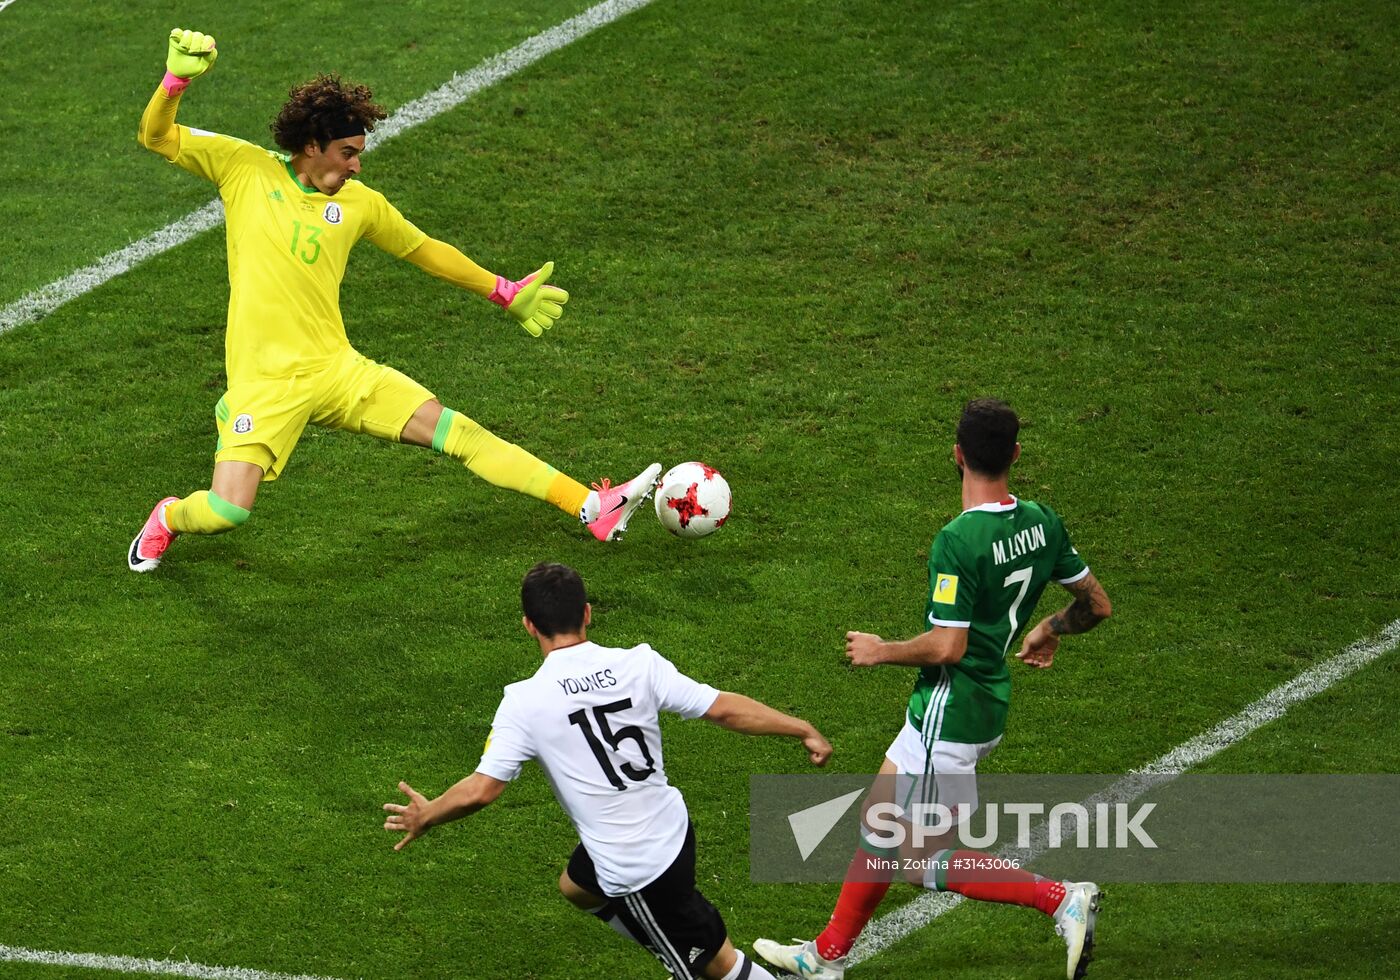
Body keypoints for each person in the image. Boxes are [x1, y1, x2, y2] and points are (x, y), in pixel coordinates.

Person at [128, 29, 660, 573]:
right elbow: (156, 136)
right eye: (347, 153)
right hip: (263, 386)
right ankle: (169, 517)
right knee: (225, 512)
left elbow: (424, 250)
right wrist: (175, 83)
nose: (356, 165)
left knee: (459, 432)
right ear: (312, 147)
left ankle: (593, 506)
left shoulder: (360, 204)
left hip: (338, 370)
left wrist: (503, 291)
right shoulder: (244, 168)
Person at [755, 398, 1113, 980]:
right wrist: (1048, 629)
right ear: (1015, 455)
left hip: (951, 710)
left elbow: (947, 646)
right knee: (878, 823)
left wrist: (881, 649)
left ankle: (1059, 899)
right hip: (982, 702)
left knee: (920, 858)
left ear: (956, 454)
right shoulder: (1042, 520)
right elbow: (1097, 604)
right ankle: (826, 957)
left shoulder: (958, 539)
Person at [383, 562, 834, 979]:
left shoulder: (524, 701)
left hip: (638, 867)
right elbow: (722, 709)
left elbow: (481, 790)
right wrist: (801, 727)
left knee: (718, 966)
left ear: (528, 625)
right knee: (576, 886)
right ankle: (661, 933)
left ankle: (668, 942)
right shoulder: (638, 663)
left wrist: (427, 814)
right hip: (672, 828)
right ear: (587, 613)